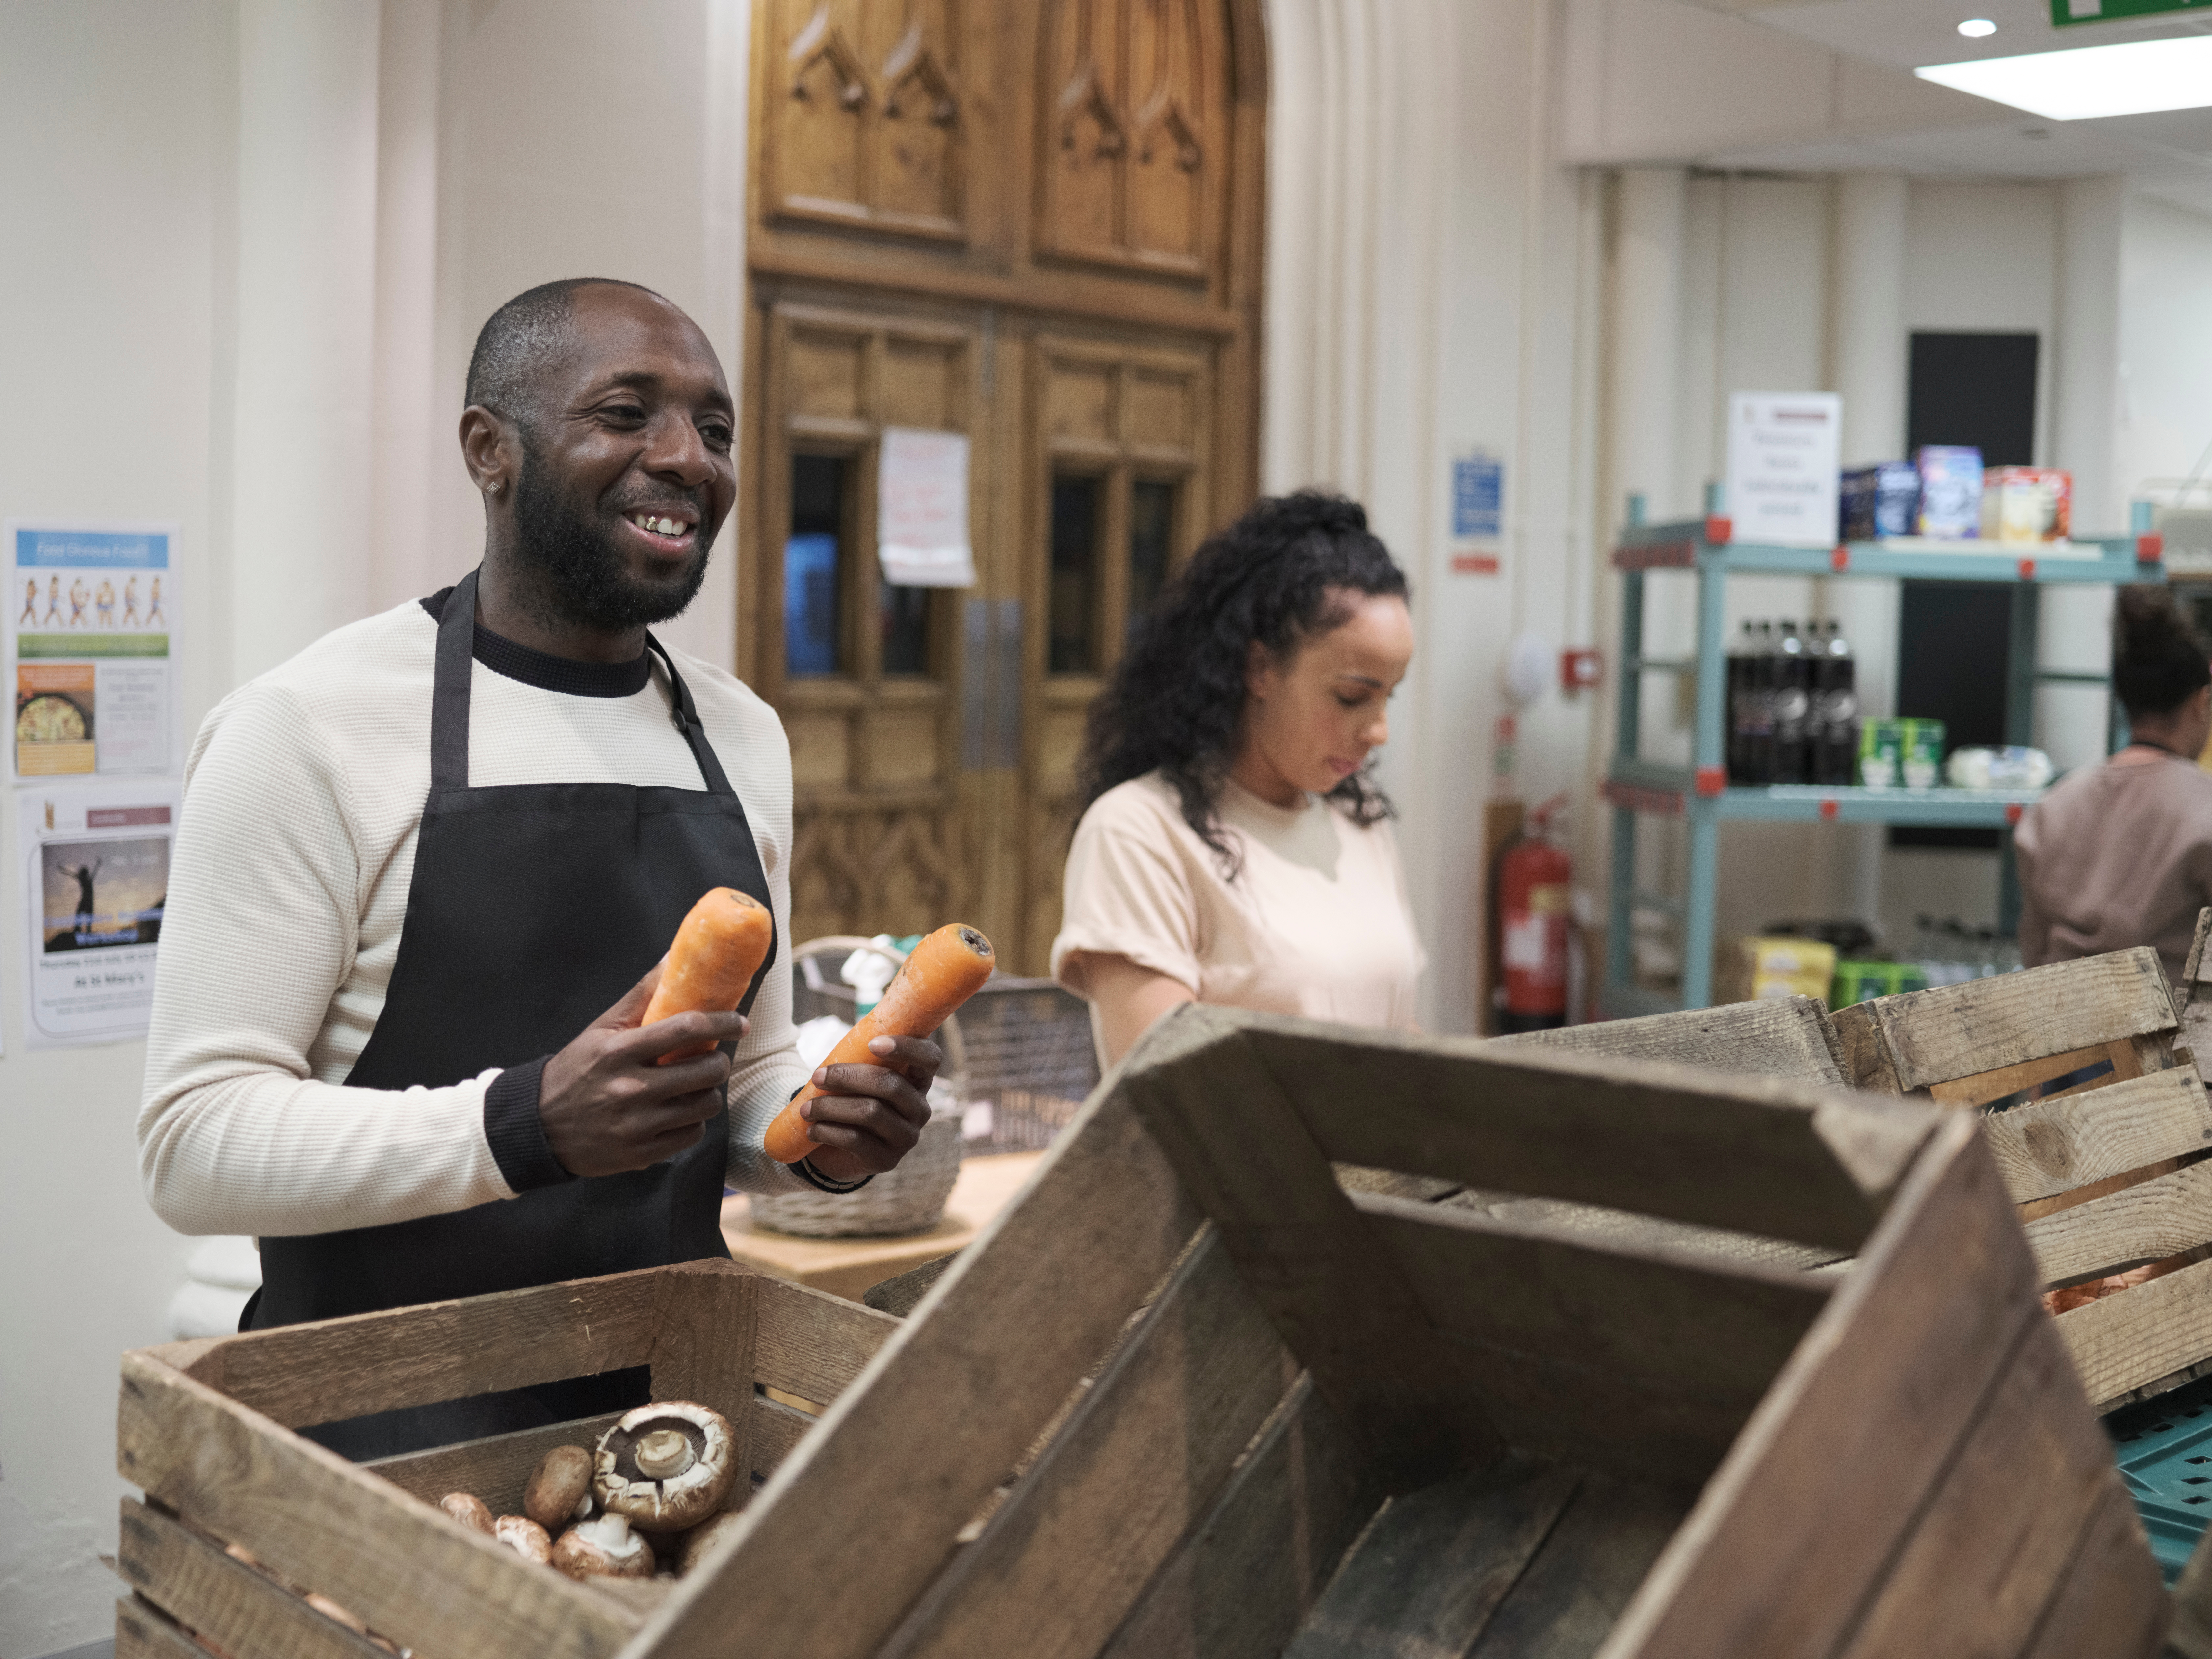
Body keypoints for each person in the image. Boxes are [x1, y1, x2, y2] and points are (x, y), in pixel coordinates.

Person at [141, 278, 936, 1455]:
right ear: (489, 449)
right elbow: (194, 1147)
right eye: (625, 414)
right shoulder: (308, 728)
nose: (685, 459)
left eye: (713, 431)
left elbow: (746, 1077)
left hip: (676, 1415)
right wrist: (524, 1127)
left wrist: (813, 1138)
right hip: (379, 1431)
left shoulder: (740, 736)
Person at [1050, 491, 1424, 1065]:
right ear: (1259, 668)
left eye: (1389, 696)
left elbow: (1399, 1036)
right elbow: (1164, 1089)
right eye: (1353, 697)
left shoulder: (1359, 816)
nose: (1379, 732)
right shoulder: (1139, 832)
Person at [2016, 586, 2212, 988]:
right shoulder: (2203, 807)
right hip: (2172, 1039)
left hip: (2060, 1030)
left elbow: (2033, 951)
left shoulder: (2054, 806)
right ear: (2200, 704)